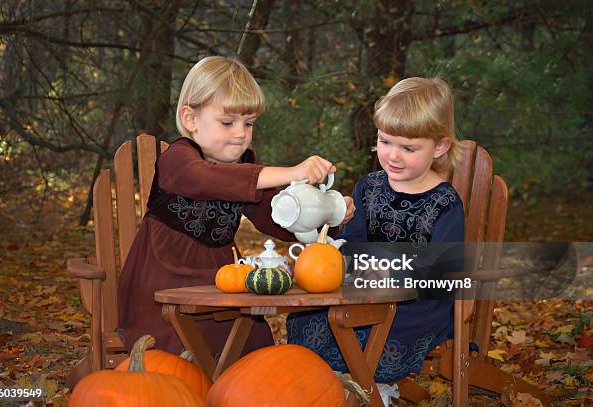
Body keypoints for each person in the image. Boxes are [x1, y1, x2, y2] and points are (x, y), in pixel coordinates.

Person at [117, 56, 355, 356]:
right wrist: (291, 172)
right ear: (191, 119)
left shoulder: (246, 165)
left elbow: (275, 218)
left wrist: (326, 219)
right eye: (228, 122)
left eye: (249, 123)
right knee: (185, 351)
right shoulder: (178, 159)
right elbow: (206, 179)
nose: (241, 133)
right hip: (163, 283)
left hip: (221, 277)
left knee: (253, 349)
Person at [287, 76, 465, 384]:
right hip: (363, 295)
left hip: (417, 306)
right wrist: (330, 257)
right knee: (310, 316)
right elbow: (351, 243)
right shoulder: (369, 188)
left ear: (440, 146)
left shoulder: (444, 202)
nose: (393, 156)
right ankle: (321, 385)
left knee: (373, 328)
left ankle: (372, 390)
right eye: (385, 142)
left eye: (408, 148)